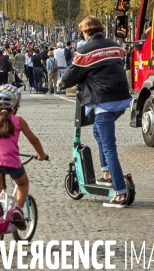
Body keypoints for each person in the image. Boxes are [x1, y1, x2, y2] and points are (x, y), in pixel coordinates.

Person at [59, 16, 132, 208]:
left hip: (103, 102)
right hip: (122, 100)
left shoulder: (85, 50)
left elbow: (73, 73)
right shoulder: (115, 46)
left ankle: (120, 193)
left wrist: (61, 83)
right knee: (98, 132)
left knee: (109, 147)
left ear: (85, 32)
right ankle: (106, 173)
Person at [0, 84, 47, 229]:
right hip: (11, 160)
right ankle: (18, 209)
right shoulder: (19, 121)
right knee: (23, 183)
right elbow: (34, 140)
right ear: (16, 105)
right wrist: (41, 155)